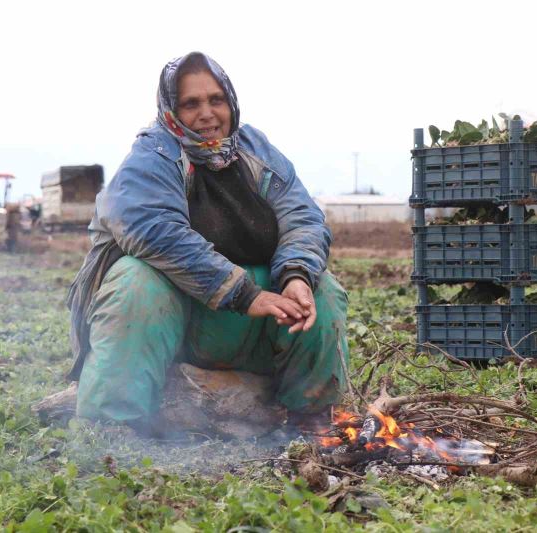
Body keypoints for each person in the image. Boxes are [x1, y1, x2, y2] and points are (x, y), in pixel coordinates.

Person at [66, 51, 348, 434]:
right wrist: (245, 293)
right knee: (135, 279)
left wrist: (297, 275)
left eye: (216, 100)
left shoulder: (256, 151)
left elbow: (302, 217)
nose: (207, 113)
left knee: (320, 289)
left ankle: (310, 417)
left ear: (230, 101)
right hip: (177, 326)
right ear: (170, 110)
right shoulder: (152, 157)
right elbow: (153, 230)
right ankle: (113, 426)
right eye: (191, 103)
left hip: (246, 328)